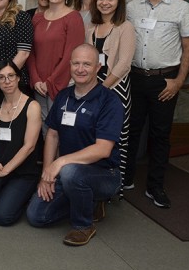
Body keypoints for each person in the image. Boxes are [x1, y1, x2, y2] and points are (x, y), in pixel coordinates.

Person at [26, 44, 124, 246]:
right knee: (37, 216)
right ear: (69, 65)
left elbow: (103, 149)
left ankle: (83, 225)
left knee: (71, 172)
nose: (80, 69)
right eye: (76, 63)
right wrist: (47, 173)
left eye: (87, 64)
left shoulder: (109, 102)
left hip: (105, 173)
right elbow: (52, 135)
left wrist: (60, 162)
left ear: (97, 67)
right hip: (68, 171)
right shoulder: (63, 96)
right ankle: (89, 202)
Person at [125, 0, 189, 208]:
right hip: (134, 78)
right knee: (130, 130)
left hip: (165, 81)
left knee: (160, 135)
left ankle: (155, 186)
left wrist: (178, 81)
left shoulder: (182, 8)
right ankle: (126, 178)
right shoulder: (131, 7)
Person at [0, 60, 42, 226]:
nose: (7, 81)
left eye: (11, 76)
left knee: (2, 218)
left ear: (18, 78)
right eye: (2, 77)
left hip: (22, 171)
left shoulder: (32, 106)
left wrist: (6, 170)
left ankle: (22, 195)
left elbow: (29, 146)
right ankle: (5, 193)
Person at [84, 0, 135, 197]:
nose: (105, 3)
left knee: (117, 139)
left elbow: (124, 64)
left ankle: (117, 187)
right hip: (92, 89)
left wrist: (101, 89)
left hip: (116, 91)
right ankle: (95, 183)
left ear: (119, 2)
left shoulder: (125, 28)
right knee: (94, 137)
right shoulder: (91, 29)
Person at [27, 0, 85, 128]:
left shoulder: (73, 18)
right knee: (43, 130)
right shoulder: (37, 18)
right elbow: (31, 52)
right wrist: (36, 79)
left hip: (61, 83)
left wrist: (50, 82)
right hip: (39, 85)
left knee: (59, 131)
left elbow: (71, 55)